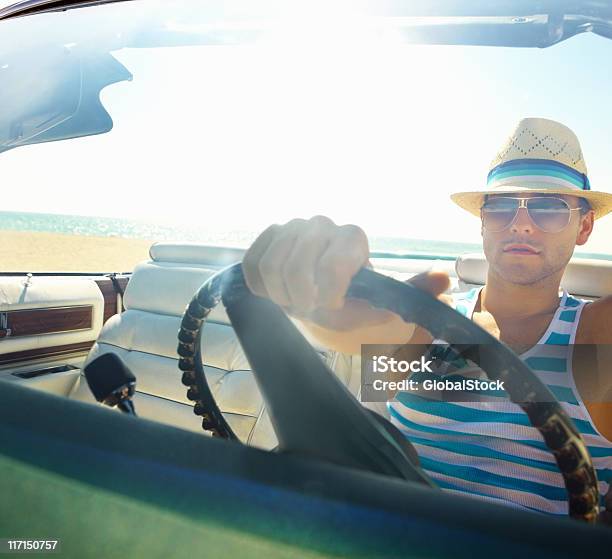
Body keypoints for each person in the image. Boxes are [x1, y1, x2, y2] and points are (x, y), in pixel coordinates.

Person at [242, 117, 612, 520]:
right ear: (483, 223)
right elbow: (374, 334)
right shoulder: (430, 322)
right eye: (502, 206)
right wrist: (325, 304)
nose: (521, 222)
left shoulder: (594, 337)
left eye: (549, 208)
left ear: (584, 226)